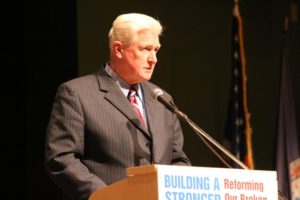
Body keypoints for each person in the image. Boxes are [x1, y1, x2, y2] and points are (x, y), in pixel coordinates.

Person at [44, 13, 191, 200]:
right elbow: (61, 158)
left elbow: (178, 158)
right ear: (118, 49)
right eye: (146, 49)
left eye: (156, 50)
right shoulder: (77, 93)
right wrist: (107, 196)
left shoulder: (162, 99)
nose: (154, 59)